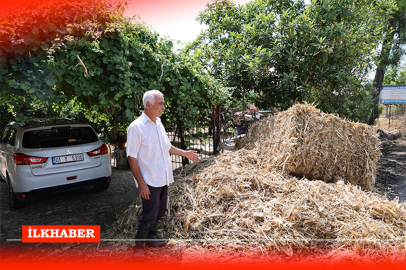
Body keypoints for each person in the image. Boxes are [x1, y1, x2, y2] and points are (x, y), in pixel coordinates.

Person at [126, 89, 200, 257]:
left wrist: (185, 153)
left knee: (159, 212)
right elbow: (131, 158)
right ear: (148, 105)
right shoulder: (136, 127)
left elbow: (168, 147)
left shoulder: (158, 123)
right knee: (149, 215)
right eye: (160, 104)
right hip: (150, 180)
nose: (163, 107)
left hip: (162, 178)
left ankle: (151, 240)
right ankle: (137, 249)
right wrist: (141, 183)